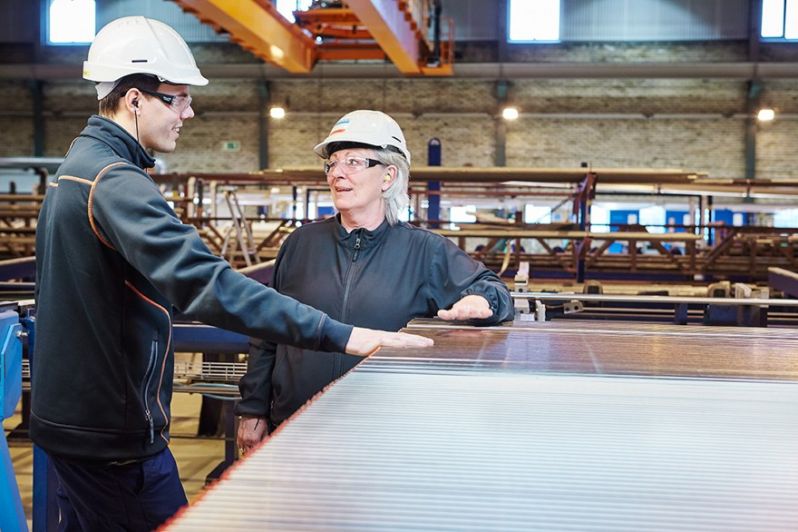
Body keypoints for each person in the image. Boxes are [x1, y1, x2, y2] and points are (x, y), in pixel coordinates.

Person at [31, 18, 431, 532]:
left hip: (76, 426)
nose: (189, 112)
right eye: (177, 98)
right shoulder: (114, 183)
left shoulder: (77, 167)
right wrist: (344, 335)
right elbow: (207, 284)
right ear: (135, 99)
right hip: (111, 438)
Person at [236, 110, 514, 452]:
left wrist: (480, 301)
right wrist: (252, 409)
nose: (337, 173)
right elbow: (268, 331)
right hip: (295, 427)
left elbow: (494, 290)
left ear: (388, 176)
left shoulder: (424, 250)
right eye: (332, 163)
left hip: (383, 433)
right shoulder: (301, 244)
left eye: (353, 162)